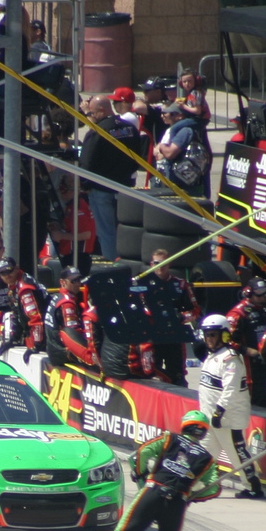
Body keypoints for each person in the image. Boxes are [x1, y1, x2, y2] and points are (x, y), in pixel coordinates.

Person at [113, 411, 221, 531]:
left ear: (185, 425)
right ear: (203, 432)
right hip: (178, 502)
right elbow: (214, 489)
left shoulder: (169, 438)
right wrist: (191, 497)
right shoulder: (207, 459)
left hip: (153, 491)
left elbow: (141, 453)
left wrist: (141, 476)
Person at [196, 313, 263, 498]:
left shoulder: (230, 359)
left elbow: (231, 390)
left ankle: (253, 487)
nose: (209, 339)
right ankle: (195, 484)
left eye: (213, 335)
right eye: (207, 335)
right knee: (203, 453)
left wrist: (219, 412)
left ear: (224, 335)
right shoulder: (211, 356)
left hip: (228, 418)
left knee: (237, 453)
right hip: (210, 418)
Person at [78, 96, 143, 261]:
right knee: (128, 230)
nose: (90, 117)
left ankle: (112, 267)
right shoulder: (130, 128)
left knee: (106, 232)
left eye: (91, 113)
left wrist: (84, 185)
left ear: (101, 111)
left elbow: (86, 163)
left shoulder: (97, 132)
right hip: (127, 189)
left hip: (102, 190)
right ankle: (129, 263)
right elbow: (139, 158)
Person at [148, 253, 200, 384]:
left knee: (178, 376)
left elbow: (195, 311)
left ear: (169, 265)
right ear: (151, 264)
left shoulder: (180, 284)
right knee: (152, 375)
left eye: (164, 264)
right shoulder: (143, 283)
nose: (160, 267)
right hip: (153, 337)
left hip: (175, 336)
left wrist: (179, 317)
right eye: (156, 263)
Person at [227, 278, 266, 407]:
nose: (263, 297)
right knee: (253, 399)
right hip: (247, 365)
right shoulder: (238, 313)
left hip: (263, 361)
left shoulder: (264, 309)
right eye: (259, 294)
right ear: (249, 293)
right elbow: (226, 340)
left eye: (265, 294)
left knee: (264, 395)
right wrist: (247, 350)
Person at [46, 265, 99, 368]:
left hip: (53, 348)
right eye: (73, 281)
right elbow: (73, 333)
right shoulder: (67, 303)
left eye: (79, 279)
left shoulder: (58, 296)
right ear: (63, 282)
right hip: (61, 352)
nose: (78, 283)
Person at [155, 101, 210, 197]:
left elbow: (169, 154)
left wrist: (161, 146)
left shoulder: (185, 131)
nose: (165, 116)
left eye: (171, 114)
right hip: (180, 182)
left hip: (185, 184)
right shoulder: (179, 130)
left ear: (180, 116)